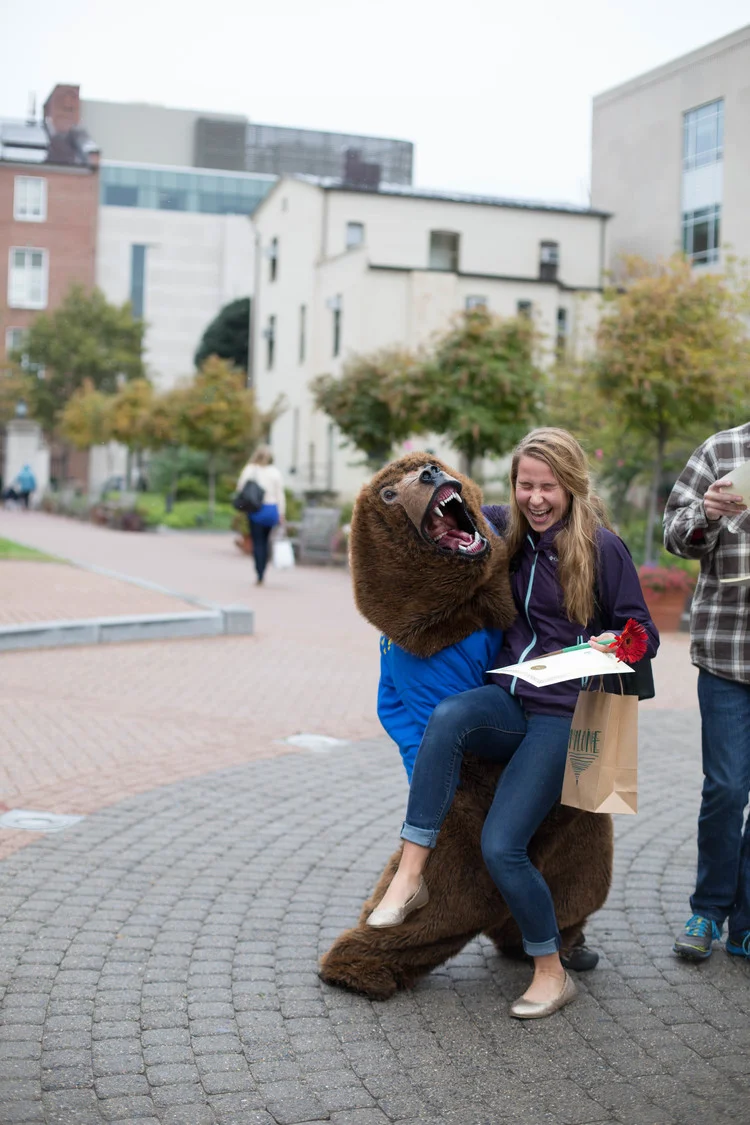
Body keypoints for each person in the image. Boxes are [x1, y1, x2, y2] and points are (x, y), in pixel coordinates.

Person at [366, 428, 659, 1019]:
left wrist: (614, 643)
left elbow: (644, 635)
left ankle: (551, 971)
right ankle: (412, 873)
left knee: (502, 846)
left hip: (562, 712)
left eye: (548, 486)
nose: (536, 498)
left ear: (571, 486)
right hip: (509, 697)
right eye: (526, 485)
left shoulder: (602, 548)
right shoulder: (507, 531)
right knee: (451, 716)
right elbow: (448, 507)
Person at [664, 422, 750, 962]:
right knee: (726, 788)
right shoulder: (722, 450)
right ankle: (708, 910)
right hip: (727, 652)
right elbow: (674, 533)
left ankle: (746, 925)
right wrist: (708, 513)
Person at [235, 446, 285, 585]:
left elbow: (240, 488)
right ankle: (264, 566)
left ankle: (259, 572)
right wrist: (281, 512)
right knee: (266, 540)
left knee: (258, 541)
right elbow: (280, 494)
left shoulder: (250, 470)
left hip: (256, 509)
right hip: (272, 509)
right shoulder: (275, 472)